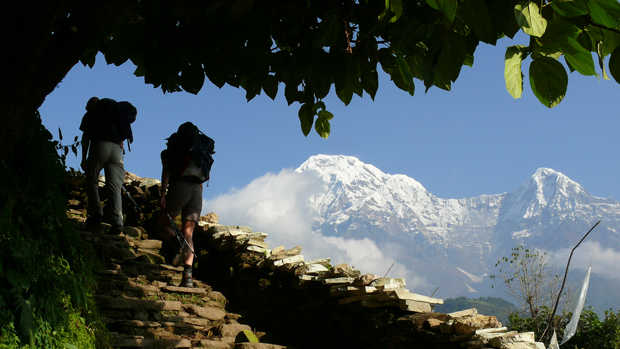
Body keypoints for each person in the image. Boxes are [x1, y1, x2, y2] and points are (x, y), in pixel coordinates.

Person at [156, 122, 204, 288]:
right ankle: (187, 277)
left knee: (162, 225)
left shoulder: (170, 153)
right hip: (197, 190)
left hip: (180, 186)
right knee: (189, 233)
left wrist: (163, 193)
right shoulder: (198, 153)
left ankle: (177, 242)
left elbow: (167, 172)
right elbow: (203, 180)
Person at [80, 97, 126, 235]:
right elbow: (122, 141)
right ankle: (117, 223)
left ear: (91, 105)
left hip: (100, 146)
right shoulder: (116, 117)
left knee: (91, 181)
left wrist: (84, 158)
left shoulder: (91, 115)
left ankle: (96, 215)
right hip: (117, 150)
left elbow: (85, 137)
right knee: (114, 186)